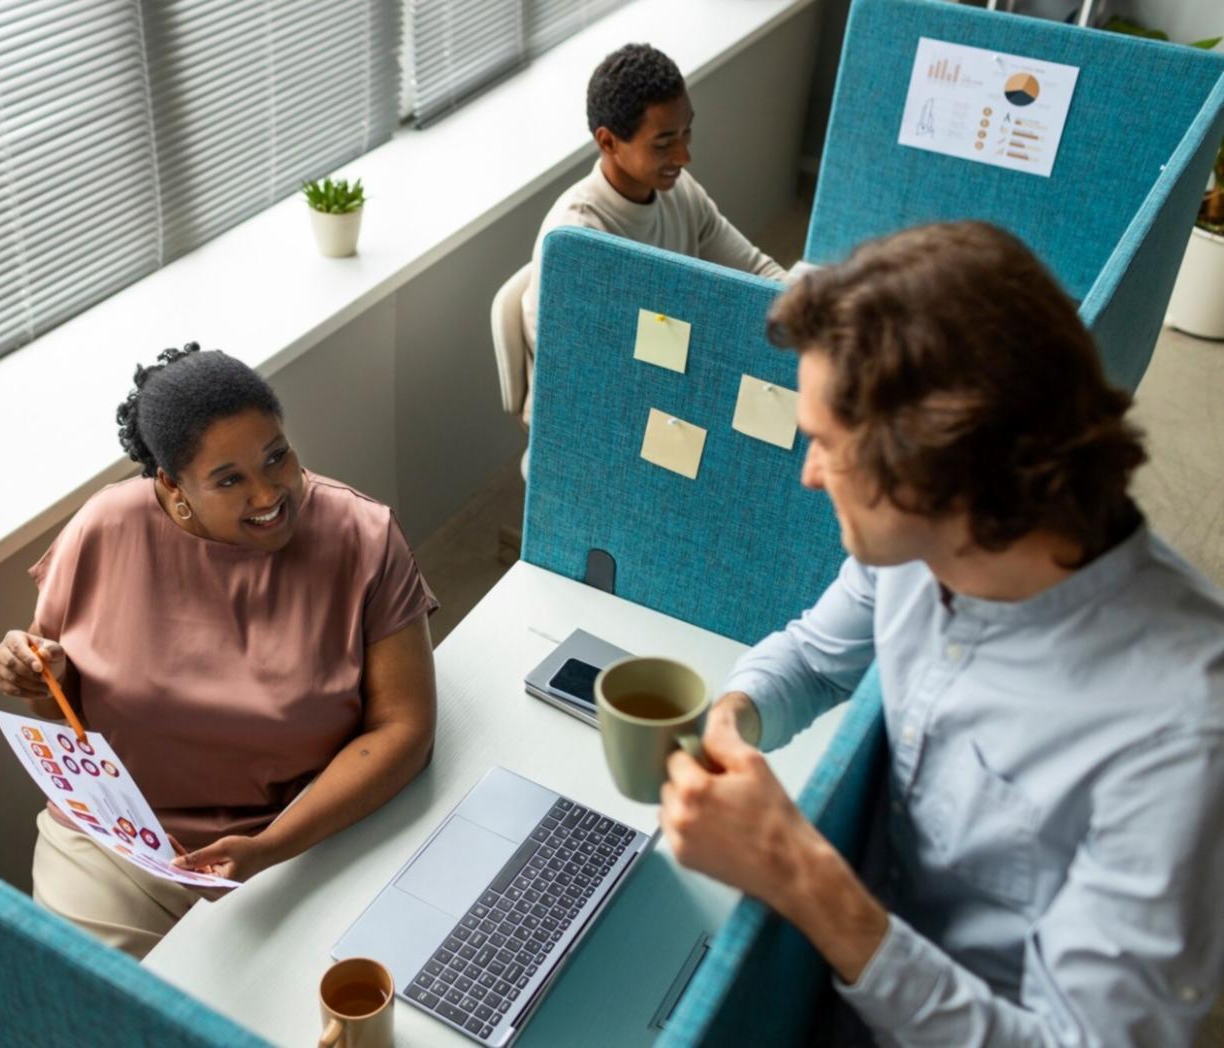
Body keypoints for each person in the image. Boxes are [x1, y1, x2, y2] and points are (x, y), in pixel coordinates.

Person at [659, 222, 1224, 1045]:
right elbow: (817, 660)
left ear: (932, 464)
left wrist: (801, 875)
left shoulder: (1179, 733)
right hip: (851, 971)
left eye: (824, 444)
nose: (807, 473)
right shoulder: (920, 547)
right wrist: (734, 716)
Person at [0, 345, 439, 957]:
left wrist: (273, 847)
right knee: (92, 1012)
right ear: (174, 488)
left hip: (300, 836)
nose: (269, 494)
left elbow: (404, 727)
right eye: (229, 480)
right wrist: (40, 678)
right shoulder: (103, 529)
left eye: (277, 456)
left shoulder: (362, 537)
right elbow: (66, 714)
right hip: (119, 843)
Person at [518, 42, 787, 425]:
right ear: (608, 142)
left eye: (686, 132)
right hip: (597, 415)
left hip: (668, 386)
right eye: (663, 143)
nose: (683, 156)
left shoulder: (680, 192)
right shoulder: (579, 239)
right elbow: (591, 376)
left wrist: (813, 313)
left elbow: (758, 274)